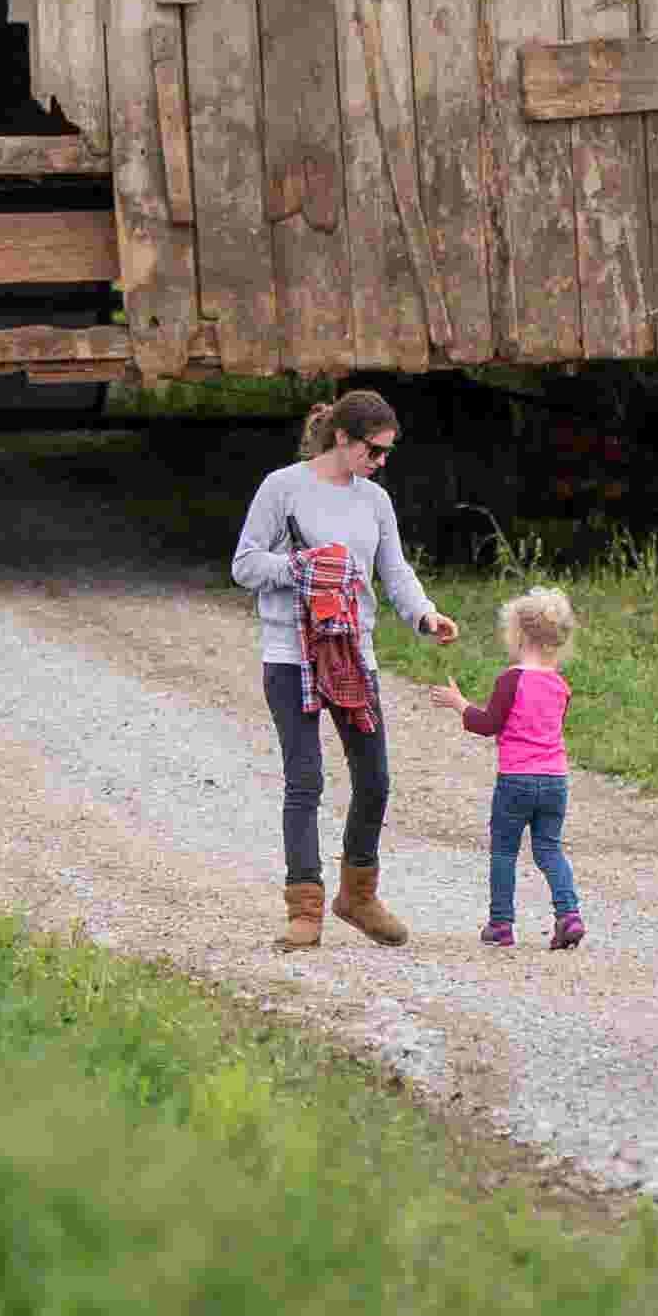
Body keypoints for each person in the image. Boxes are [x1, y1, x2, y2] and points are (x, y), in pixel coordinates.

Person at [231, 389, 457, 951]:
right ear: (342, 438)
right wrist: (303, 568)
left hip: (354, 653)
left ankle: (358, 895)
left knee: (375, 780)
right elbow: (245, 564)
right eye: (374, 451)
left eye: (386, 454)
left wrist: (424, 615)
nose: (380, 463)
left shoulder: (375, 501)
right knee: (304, 779)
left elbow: (394, 570)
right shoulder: (281, 488)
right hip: (292, 656)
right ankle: (304, 907)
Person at [430, 586, 584, 950]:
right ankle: (570, 914)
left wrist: (458, 703)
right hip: (555, 781)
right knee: (549, 849)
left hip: (516, 780)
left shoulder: (510, 680)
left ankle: (501, 924)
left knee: (504, 851)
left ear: (518, 634)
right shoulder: (561, 686)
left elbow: (487, 724)